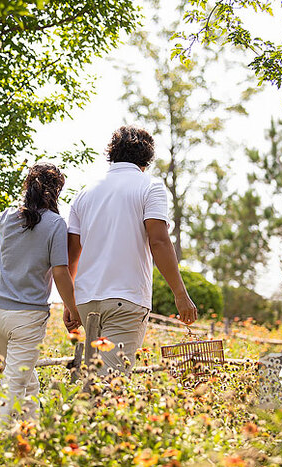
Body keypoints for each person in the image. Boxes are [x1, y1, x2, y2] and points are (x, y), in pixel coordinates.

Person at [64, 126, 198, 375]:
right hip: (125, 302)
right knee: (109, 385)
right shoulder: (150, 187)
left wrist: (69, 303)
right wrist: (180, 294)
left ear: (112, 154)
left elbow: (71, 254)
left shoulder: (84, 193)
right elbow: (159, 242)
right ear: (146, 159)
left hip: (85, 300)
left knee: (92, 378)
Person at [0, 162, 81, 421]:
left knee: (24, 378)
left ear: (27, 187)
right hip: (26, 318)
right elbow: (60, 272)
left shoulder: (10, 215)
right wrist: (74, 310)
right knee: (13, 384)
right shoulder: (55, 224)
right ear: (57, 192)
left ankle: (31, 433)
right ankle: (1, 443)